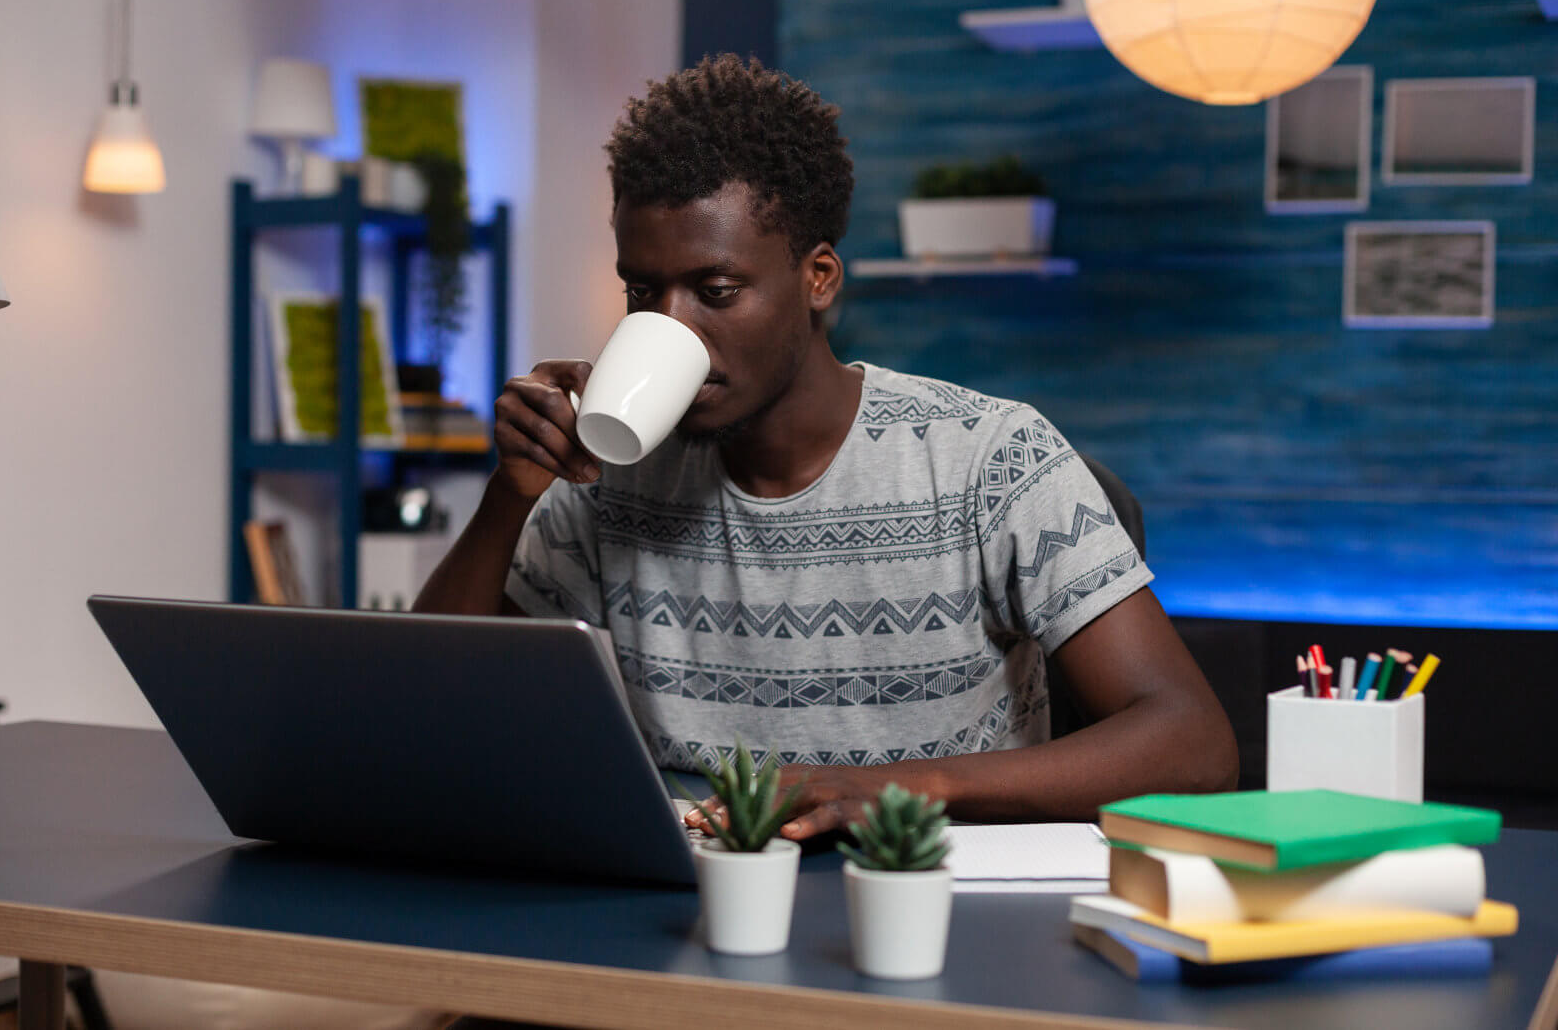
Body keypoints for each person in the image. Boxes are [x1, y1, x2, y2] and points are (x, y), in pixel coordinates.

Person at [414, 54, 1237, 841]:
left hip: (920, 904)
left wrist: (882, 790)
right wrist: (510, 493)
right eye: (643, 290)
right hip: (679, 909)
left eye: (715, 291)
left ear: (819, 278)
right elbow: (432, 704)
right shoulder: (608, 476)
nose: (670, 325)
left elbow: (1193, 746)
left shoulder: (991, 459)